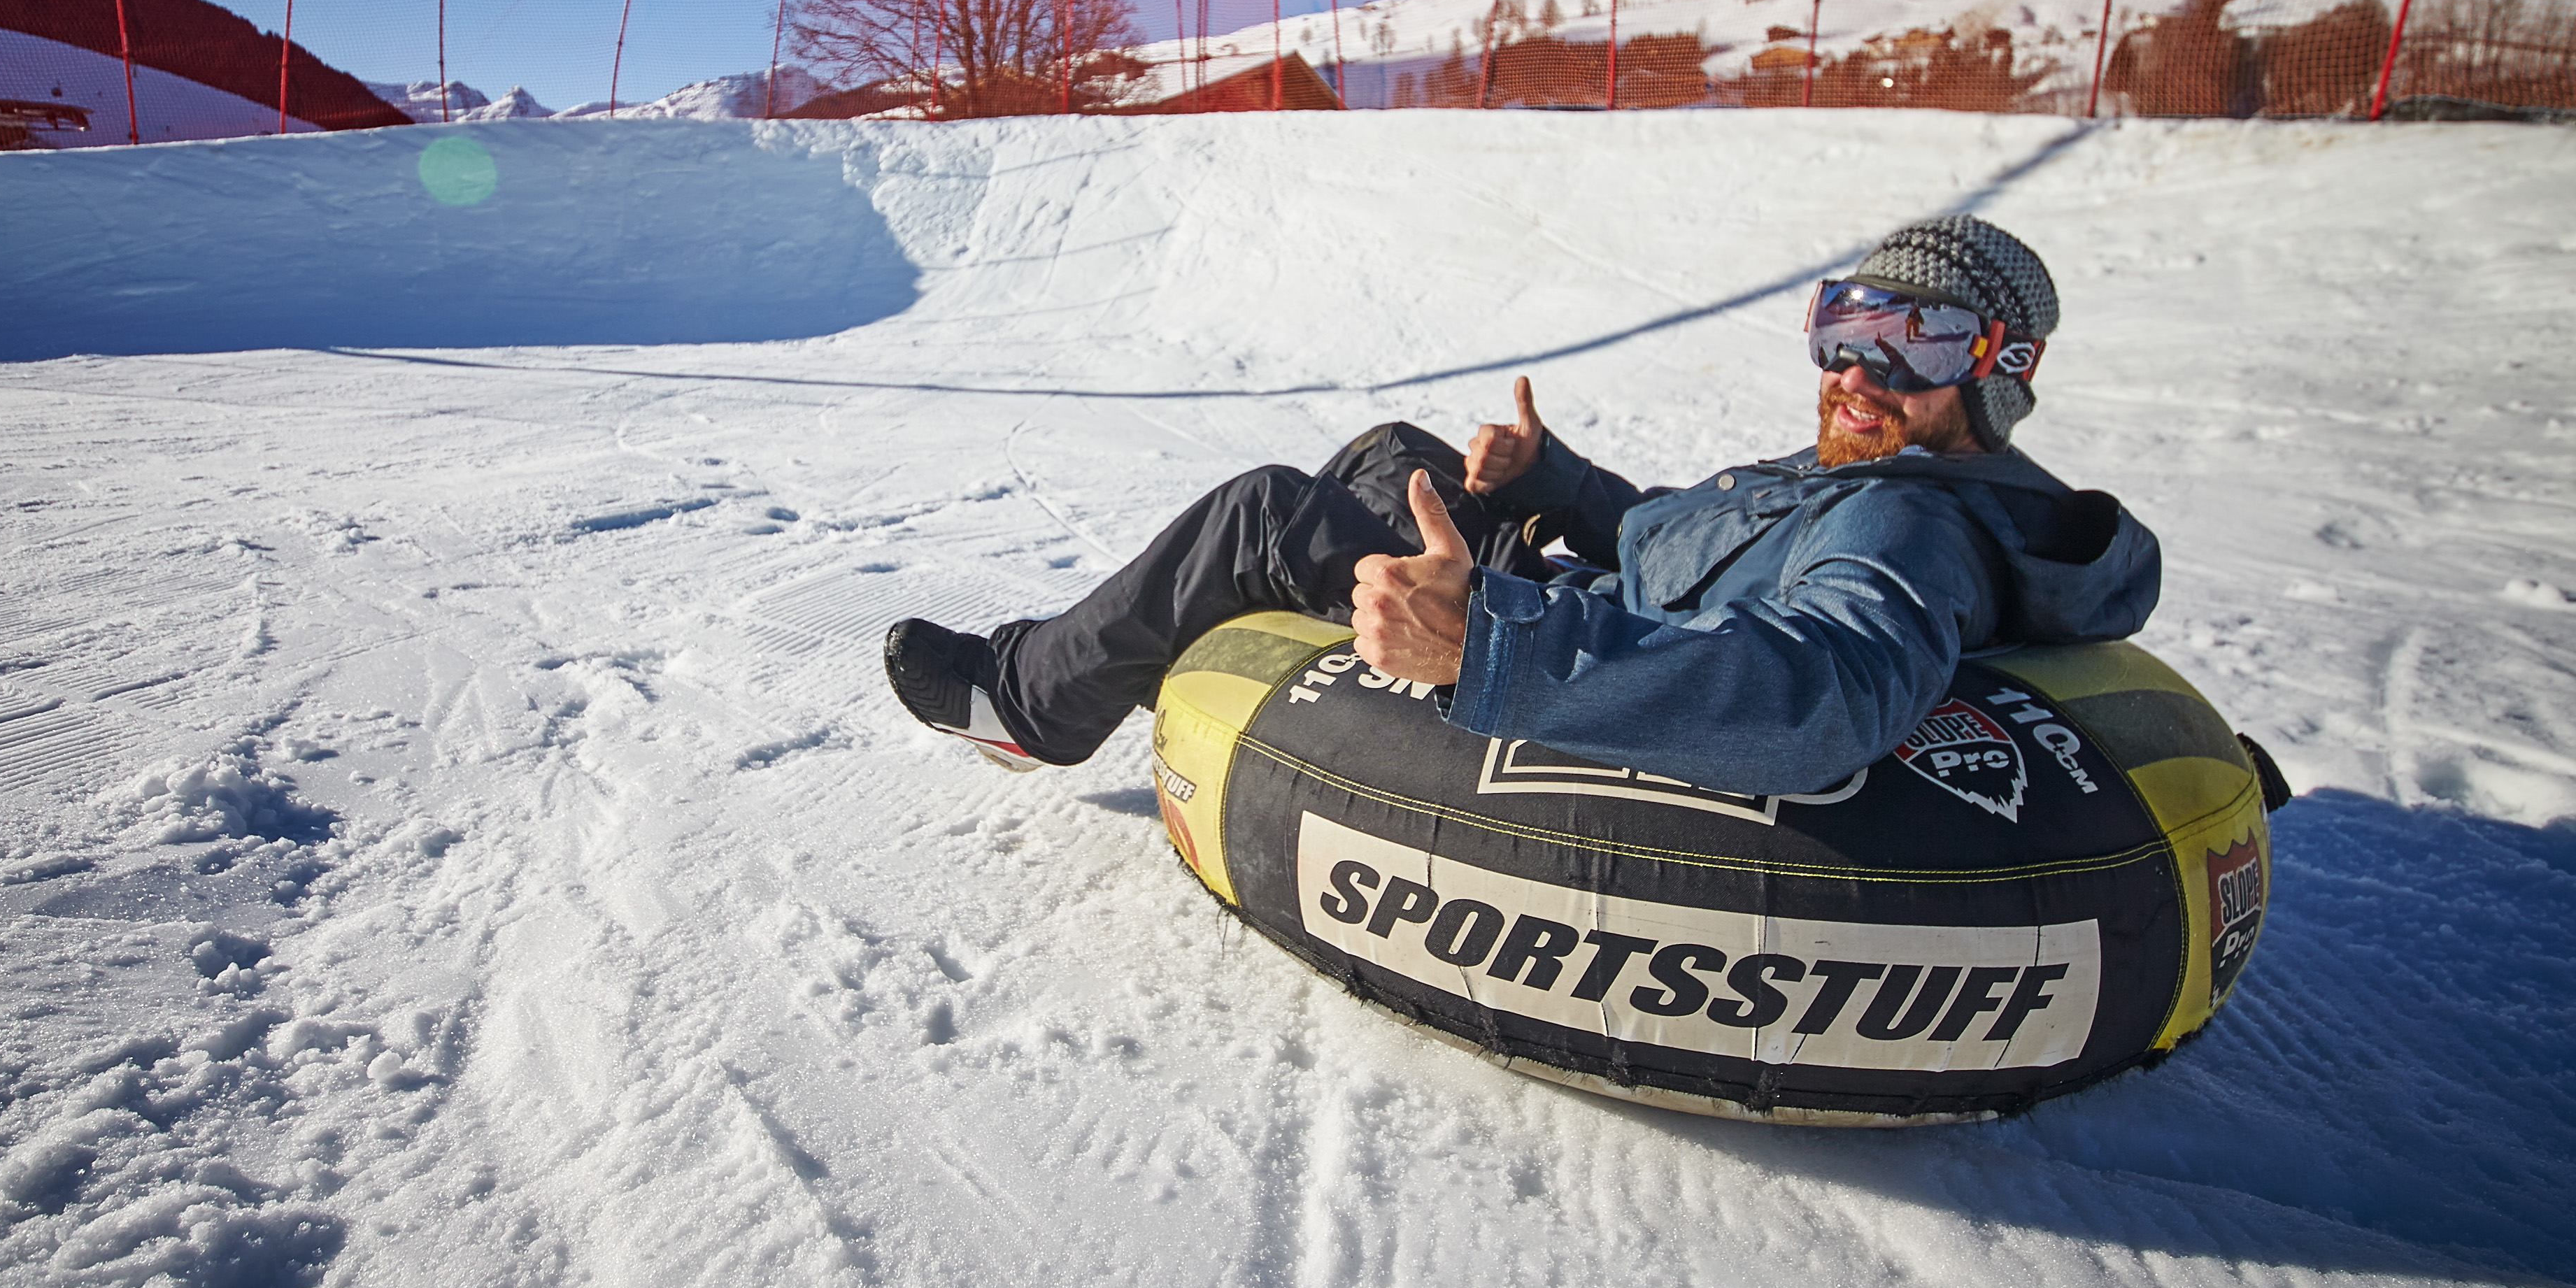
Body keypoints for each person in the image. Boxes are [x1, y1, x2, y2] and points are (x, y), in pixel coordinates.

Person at [883, 214, 2159, 794]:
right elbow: (1699, 556)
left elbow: (1823, 692)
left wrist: (1485, 637)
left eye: (1915, 343)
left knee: (1265, 511)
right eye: (1842, 327)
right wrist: (1552, 481)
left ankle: (1033, 701)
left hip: (1552, 629)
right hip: (1582, 588)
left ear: (1995, 372)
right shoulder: (1874, 479)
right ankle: (1284, 678)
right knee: (1398, 450)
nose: (1855, 373)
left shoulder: (1908, 521)